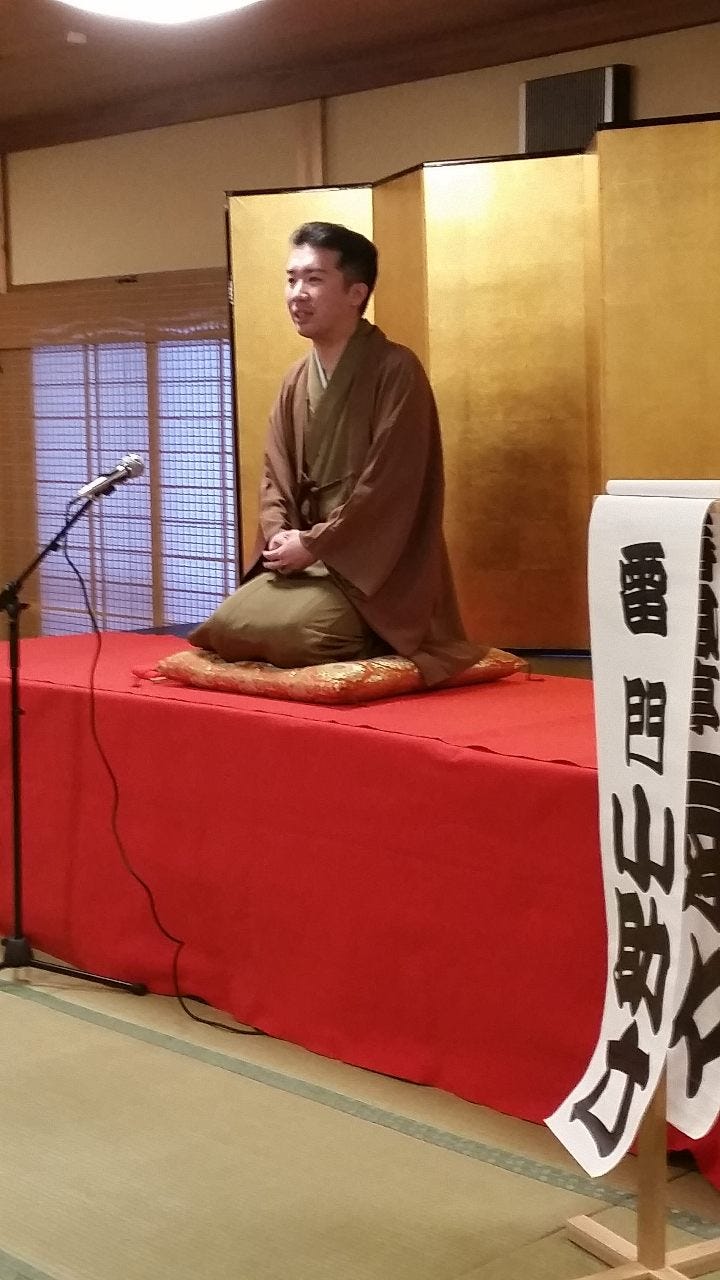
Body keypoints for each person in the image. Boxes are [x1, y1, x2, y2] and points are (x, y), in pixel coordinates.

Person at [190, 221, 479, 686]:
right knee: (225, 628)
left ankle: (383, 633)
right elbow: (275, 474)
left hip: (368, 566)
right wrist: (281, 536)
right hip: (303, 557)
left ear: (355, 293)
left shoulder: (396, 370)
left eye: (314, 279)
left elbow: (389, 487)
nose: (297, 294)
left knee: (304, 636)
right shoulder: (295, 379)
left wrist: (316, 544)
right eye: (291, 279)